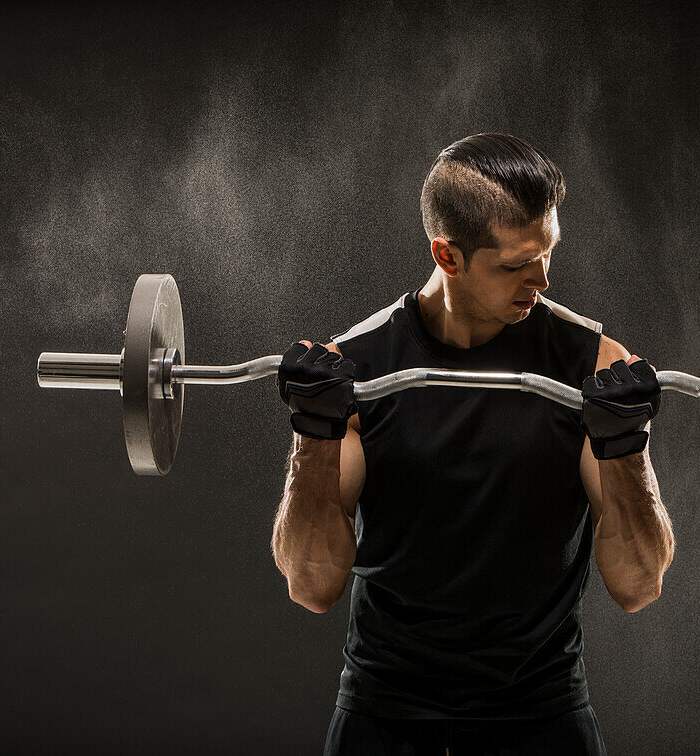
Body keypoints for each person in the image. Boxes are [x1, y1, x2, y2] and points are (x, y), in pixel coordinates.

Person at [272, 133, 675, 755]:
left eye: (547, 254)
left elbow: (638, 585)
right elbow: (310, 585)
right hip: (387, 712)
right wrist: (313, 438)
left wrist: (627, 450)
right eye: (515, 264)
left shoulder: (591, 364)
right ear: (448, 255)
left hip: (540, 711)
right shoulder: (359, 367)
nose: (540, 280)